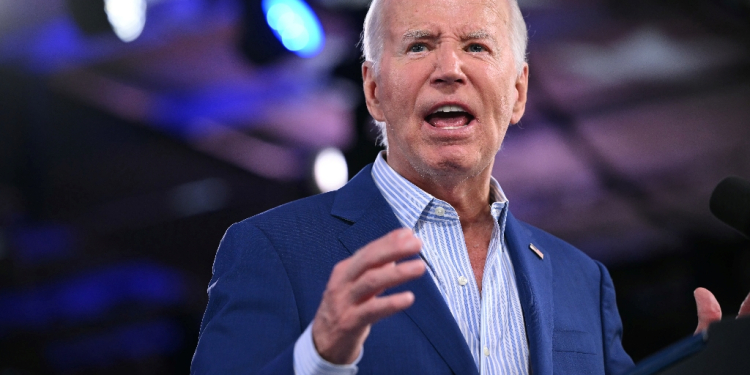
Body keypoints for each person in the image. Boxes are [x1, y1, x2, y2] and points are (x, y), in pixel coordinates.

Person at [191, 0, 750, 373]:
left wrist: (707, 364)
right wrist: (320, 354)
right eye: (418, 46)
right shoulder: (274, 249)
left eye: (477, 47)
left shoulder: (582, 279)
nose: (449, 68)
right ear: (374, 90)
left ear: (519, 91)